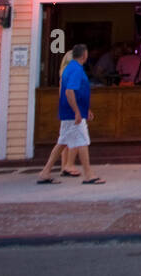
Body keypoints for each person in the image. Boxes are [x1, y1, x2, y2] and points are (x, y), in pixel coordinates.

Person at [38, 44, 104, 185]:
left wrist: (85, 109)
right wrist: (77, 112)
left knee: (62, 142)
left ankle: (45, 172)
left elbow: (76, 92)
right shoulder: (76, 70)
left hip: (70, 112)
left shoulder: (70, 68)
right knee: (83, 141)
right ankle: (88, 175)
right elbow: (69, 91)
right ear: (84, 55)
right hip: (73, 114)